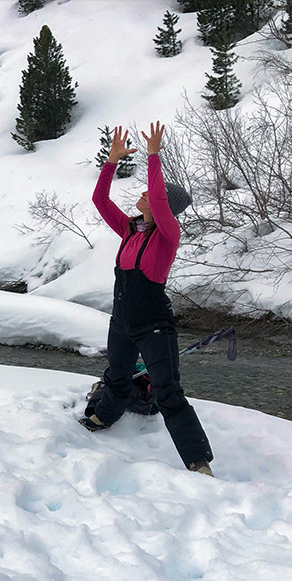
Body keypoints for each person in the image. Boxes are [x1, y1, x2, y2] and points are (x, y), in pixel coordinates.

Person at [81, 121, 214, 476]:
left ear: (162, 206)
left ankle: (197, 460)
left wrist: (153, 156)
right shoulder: (130, 230)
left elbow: (157, 197)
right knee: (117, 378)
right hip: (122, 322)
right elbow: (99, 199)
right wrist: (110, 162)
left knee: (168, 391)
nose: (141, 195)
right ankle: (100, 418)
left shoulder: (168, 234)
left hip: (155, 326)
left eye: (148, 194)